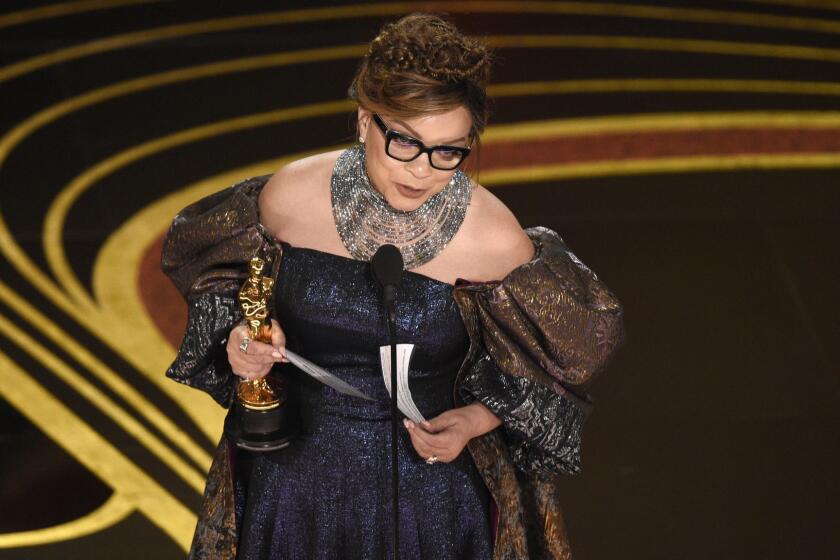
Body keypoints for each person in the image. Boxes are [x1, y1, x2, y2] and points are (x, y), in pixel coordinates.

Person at [161, 14, 624, 560]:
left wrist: (475, 420)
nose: (423, 169)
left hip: (436, 496)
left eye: (448, 151)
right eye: (404, 141)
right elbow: (236, 295)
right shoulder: (289, 199)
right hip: (292, 482)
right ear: (364, 121)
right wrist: (245, 342)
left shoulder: (494, 238)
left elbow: (557, 365)